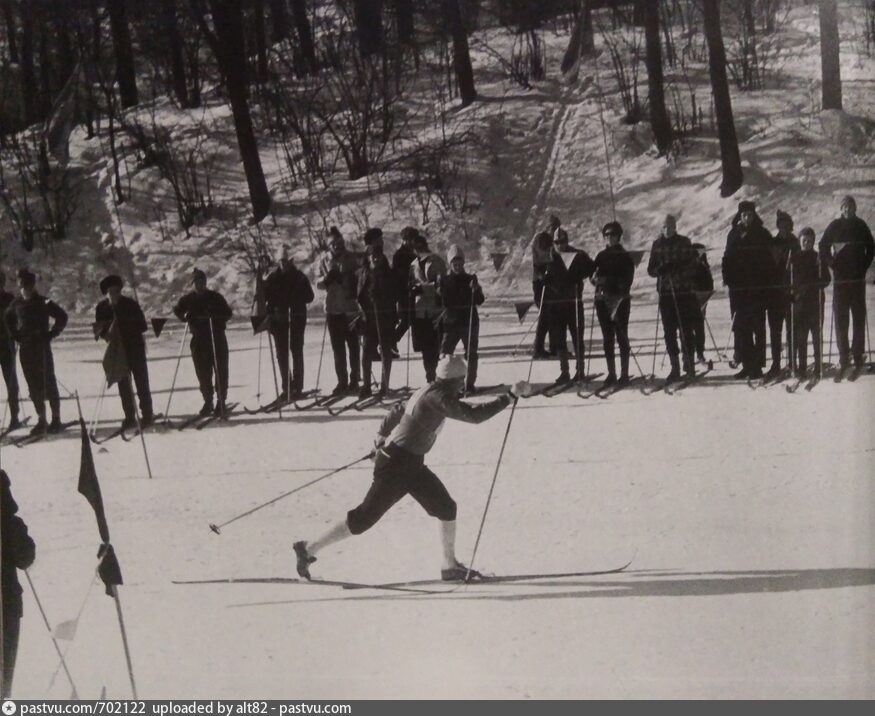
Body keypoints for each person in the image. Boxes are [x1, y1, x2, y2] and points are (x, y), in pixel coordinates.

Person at [292, 355, 531, 583]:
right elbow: (474, 415)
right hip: (396, 465)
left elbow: (399, 409)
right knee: (364, 518)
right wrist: (509, 396)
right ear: (454, 380)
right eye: (461, 380)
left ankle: (449, 566)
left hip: (411, 465)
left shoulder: (427, 390)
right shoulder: (438, 397)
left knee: (446, 507)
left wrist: (381, 434)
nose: (463, 385)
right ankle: (307, 548)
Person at [4, 269, 67, 434]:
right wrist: (15, 335)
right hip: (26, 349)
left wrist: (52, 333)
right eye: (22, 286)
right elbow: (7, 318)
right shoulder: (16, 303)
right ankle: (41, 419)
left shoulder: (43, 301)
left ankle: (56, 418)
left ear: (33, 286)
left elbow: (62, 316)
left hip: (41, 348)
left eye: (28, 286)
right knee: (33, 384)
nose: (25, 289)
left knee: (49, 381)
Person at [819, 195, 875, 373]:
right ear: (841, 209)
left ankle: (858, 354)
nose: (847, 210)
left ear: (855, 208)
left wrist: (864, 266)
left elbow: (872, 247)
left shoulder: (861, 225)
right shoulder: (835, 225)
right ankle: (844, 355)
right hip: (841, 280)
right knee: (841, 318)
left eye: (850, 207)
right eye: (844, 207)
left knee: (858, 318)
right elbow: (822, 245)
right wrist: (831, 263)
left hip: (857, 279)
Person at [94, 275, 155, 430]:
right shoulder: (101, 308)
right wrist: (105, 333)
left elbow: (143, 326)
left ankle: (147, 414)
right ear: (106, 293)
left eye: (116, 291)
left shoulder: (130, 304)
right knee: (123, 383)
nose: (113, 294)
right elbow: (99, 329)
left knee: (141, 381)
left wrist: (124, 323)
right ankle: (129, 416)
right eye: (110, 292)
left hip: (135, 347)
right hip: (117, 350)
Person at [721, 201, 772, 379]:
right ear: (740, 216)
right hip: (738, 290)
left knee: (758, 327)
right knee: (741, 328)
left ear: (754, 215)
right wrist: (727, 278)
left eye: (750, 214)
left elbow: (769, 262)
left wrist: (765, 283)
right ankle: (746, 364)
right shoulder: (733, 234)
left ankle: (757, 366)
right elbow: (726, 258)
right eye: (744, 215)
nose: (747, 218)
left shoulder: (763, 234)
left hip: (757, 289)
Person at [647, 215, 700, 381]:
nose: (667, 230)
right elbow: (650, 269)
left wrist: (677, 270)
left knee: (686, 330)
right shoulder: (657, 245)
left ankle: (689, 363)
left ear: (675, 227)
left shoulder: (684, 242)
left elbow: (693, 265)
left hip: (683, 292)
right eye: (664, 227)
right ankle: (674, 366)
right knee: (669, 331)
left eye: (670, 227)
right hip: (666, 293)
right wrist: (660, 270)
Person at [173, 269, 233, 416]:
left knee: (221, 371)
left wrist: (216, 316)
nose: (200, 285)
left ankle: (221, 401)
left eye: (202, 281)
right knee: (203, 373)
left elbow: (228, 313)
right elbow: (177, 310)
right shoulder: (188, 299)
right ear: (193, 284)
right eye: (197, 282)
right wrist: (184, 315)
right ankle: (208, 401)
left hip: (216, 338)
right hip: (199, 340)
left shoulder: (215, 297)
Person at [1, 470, 35, 699]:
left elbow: (24, 559)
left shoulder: (10, 524)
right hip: (8, 605)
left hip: (8, 604)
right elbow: (24, 559)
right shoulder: (11, 524)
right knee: (5, 668)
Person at [264, 245, 315, 400]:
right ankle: (286, 387)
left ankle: (297, 387)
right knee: (282, 355)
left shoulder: (299, 277)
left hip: (296, 320)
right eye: (281, 261)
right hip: (279, 322)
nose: (283, 264)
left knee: (296, 352)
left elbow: (310, 296)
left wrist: (297, 298)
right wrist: (269, 318)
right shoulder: (272, 279)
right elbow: (266, 300)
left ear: (290, 261)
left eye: (286, 261)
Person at [316, 228, 361, 396]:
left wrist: (347, 279)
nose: (338, 246)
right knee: (338, 349)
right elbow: (317, 283)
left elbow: (360, 279)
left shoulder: (351, 258)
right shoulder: (324, 261)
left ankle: (355, 379)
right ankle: (342, 381)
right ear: (329, 246)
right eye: (334, 244)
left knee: (353, 346)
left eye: (340, 243)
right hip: (333, 309)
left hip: (349, 309)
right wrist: (326, 280)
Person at [592, 221, 635, 386]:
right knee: (607, 338)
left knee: (622, 336)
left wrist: (606, 281)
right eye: (607, 235)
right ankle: (611, 373)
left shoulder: (625, 256)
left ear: (619, 237)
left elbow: (626, 281)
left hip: (619, 301)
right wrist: (594, 279)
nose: (609, 238)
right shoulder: (600, 256)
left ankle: (624, 373)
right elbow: (593, 275)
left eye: (613, 235)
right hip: (602, 301)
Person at [356, 228, 397, 398]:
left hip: (384, 318)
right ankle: (366, 385)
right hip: (369, 318)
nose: (375, 259)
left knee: (385, 351)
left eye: (378, 256)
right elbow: (360, 291)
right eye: (373, 256)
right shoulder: (364, 272)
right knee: (366, 351)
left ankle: (384, 385)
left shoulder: (387, 273)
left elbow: (393, 294)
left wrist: (381, 298)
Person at [438, 245, 484, 393]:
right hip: (451, 323)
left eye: (459, 264)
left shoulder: (470, 279)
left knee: (471, 353)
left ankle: (469, 384)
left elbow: (480, 300)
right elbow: (444, 303)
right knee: (445, 353)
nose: (457, 267)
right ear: (450, 264)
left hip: (469, 321)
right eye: (454, 264)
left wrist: (475, 289)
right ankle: (443, 383)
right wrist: (440, 291)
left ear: (463, 263)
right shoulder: (445, 280)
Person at [553, 223, 595, 374]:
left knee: (577, 336)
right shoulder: (549, 257)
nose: (560, 245)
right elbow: (539, 275)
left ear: (567, 240)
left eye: (562, 241)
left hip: (574, 302)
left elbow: (592, 269)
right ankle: (564, 371)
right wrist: (541, 278)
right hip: (557, 304)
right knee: (559, 338)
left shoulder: (578, 255)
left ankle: (580, 369)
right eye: (557, 243)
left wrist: (588, 276)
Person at [763, 211, 800, 378]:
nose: (784, 228)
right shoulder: (773, 243)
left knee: (792, 329)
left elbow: (801, 268)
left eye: (787, 225)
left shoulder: (796, 243)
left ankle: (792, 363)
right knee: (775, 331)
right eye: (781, 225)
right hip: (774, 295)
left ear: (790, 226)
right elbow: (768, 269)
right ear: (777, 226)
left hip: (791, 293)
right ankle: (776, 363)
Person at [790, 228, 830, 377]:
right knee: (801, 337)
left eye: (809, 241)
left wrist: (814, 285)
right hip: (800, 304)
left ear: (813, 242)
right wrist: (792, 294)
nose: (806, 243)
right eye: (804, 241)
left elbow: (826, 279)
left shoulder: (817, 258)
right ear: (800, 241)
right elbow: (788, 281)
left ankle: (818, 365)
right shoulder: (794, 258)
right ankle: (802, 367)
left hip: (815, 302)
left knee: (816, 336)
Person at [408, 233, 447, 383]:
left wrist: (423, 289)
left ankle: (440, 378)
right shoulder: (413, 264)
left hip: (435, 310)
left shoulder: (436, 261)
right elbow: (411, 283)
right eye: (415, 248)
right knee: (425, 349)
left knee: (436, 346)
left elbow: (441, 285)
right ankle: (429, 377)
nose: (417, 250)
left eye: (419, 247)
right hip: (420, 311)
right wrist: (411, 289)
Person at [392, 227, 419, 354]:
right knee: (406, 320)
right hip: (402, 292)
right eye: (410, 240)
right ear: (404, 240)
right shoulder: (399, 255)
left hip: (412, 291)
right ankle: (391, 341)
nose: (413, 242)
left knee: (413, 318)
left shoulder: (413, 254)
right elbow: (398, 275)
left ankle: (417, 344)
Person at [0, 272, 21, 431]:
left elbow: (17, 320)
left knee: (11, 381)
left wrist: (15, 335)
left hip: (6, 344)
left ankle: (15, 417)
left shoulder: (9, 299)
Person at [690, 243, 715, 364]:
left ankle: (699, 353)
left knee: (698, 326)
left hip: (701, 299)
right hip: (689, 299)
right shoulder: (690, 266)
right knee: (690, 327)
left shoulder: (704, 266)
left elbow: (710, 284)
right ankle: (690, 354)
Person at [531, 230, 554, 358]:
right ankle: (538, 348)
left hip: (548, 283)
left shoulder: (549, 240)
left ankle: (554, 346)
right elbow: (537, 264)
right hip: (540, 284)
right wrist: (542, 276)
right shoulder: (540, 240)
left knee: (552, 316)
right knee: (545, 315)